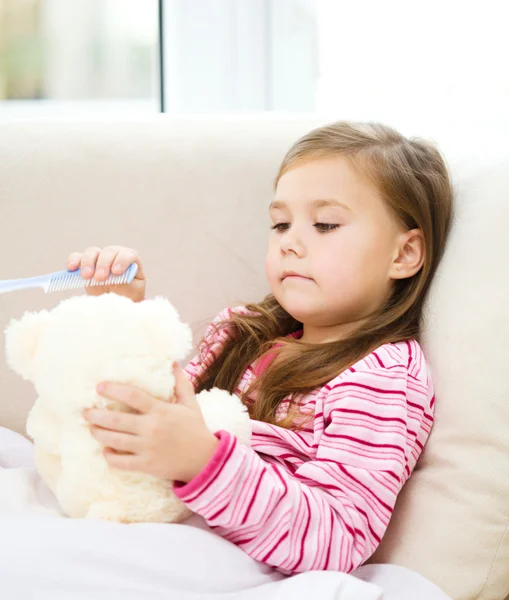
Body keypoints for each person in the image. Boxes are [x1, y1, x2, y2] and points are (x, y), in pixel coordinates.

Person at [70, 121, 453, 575]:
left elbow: (337, 535)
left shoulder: (382, 376)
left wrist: (203, 462)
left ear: (404, 254)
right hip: (143, 525)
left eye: (325, 224)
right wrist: (120, 314)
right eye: (280, 224)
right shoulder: (239, 334)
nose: (290, 242)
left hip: (232, 565)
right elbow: (145, 418)